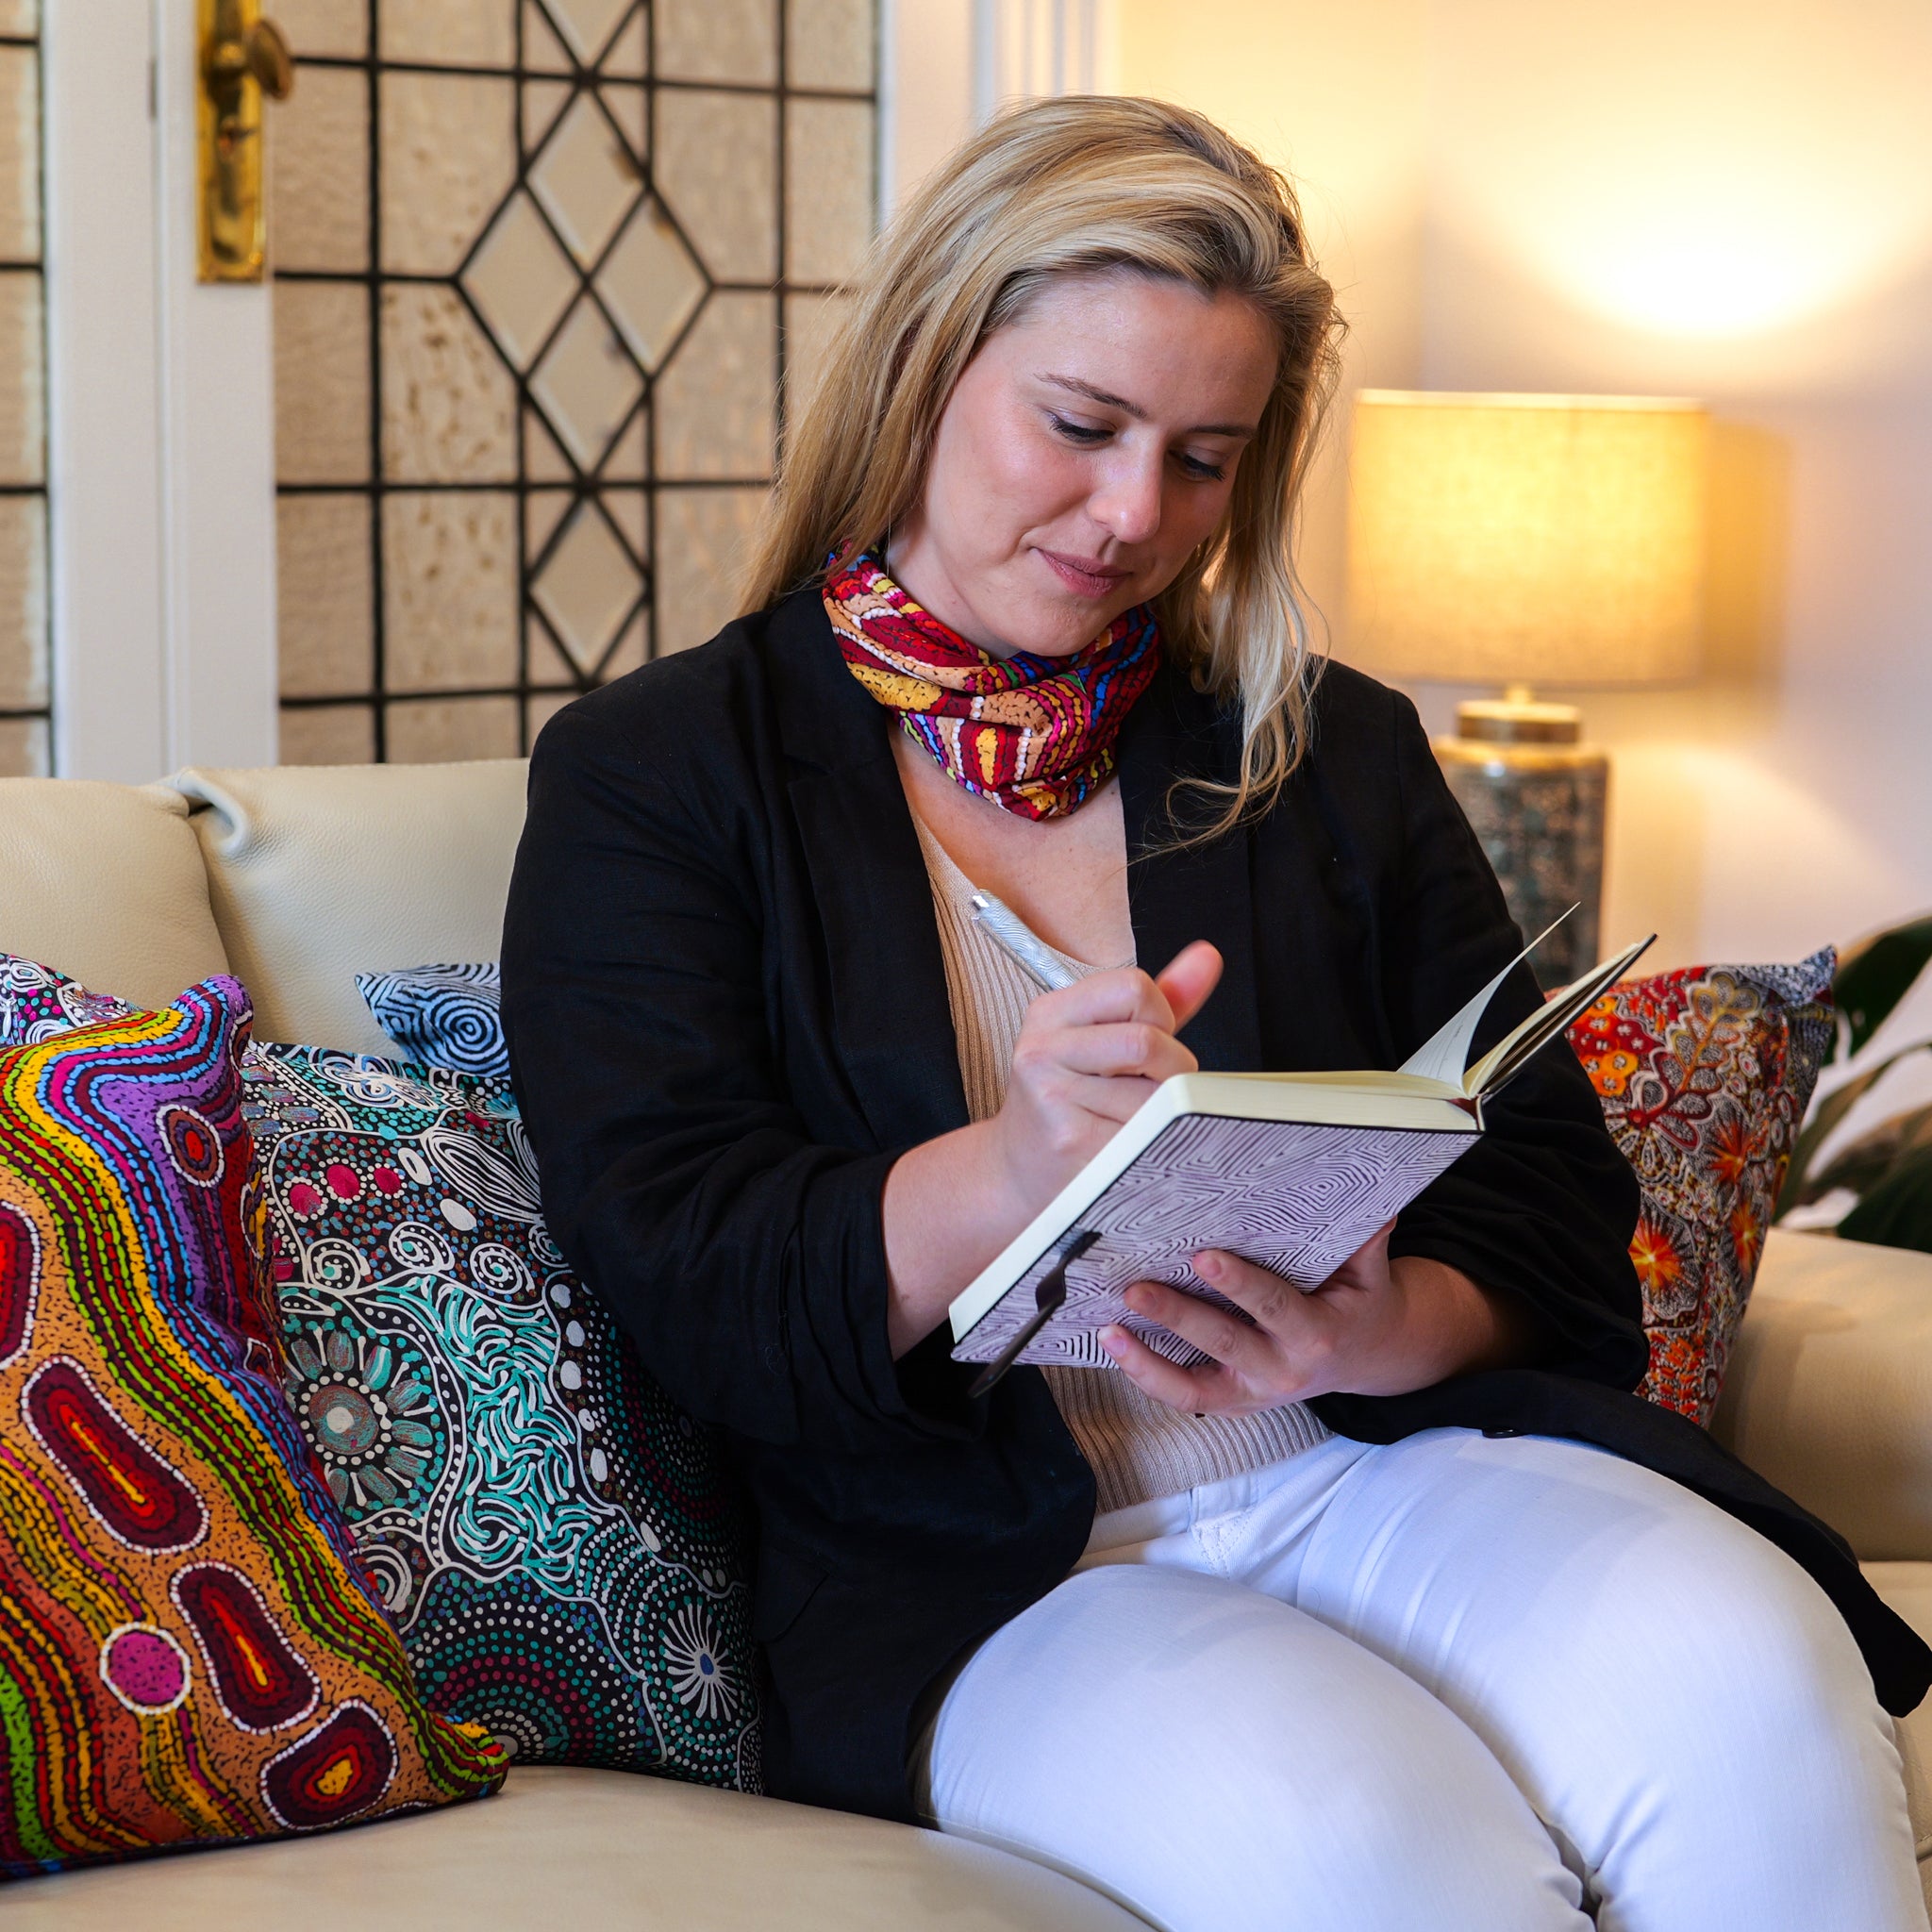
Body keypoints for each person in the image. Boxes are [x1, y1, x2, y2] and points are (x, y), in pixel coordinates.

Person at [501, 95, 1928, 1931]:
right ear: (928, 364)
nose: (1129, 515)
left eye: (1202, 456)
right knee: (1366, 1829)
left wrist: (1379, 1317)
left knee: (1752, 1673)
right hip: (983, 1567)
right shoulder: (661, 773)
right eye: (1079, 427)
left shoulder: (1327, 749)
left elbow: (1554, 1196)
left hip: (1365, 1455)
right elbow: (682, 1271)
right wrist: (1014, 1158)